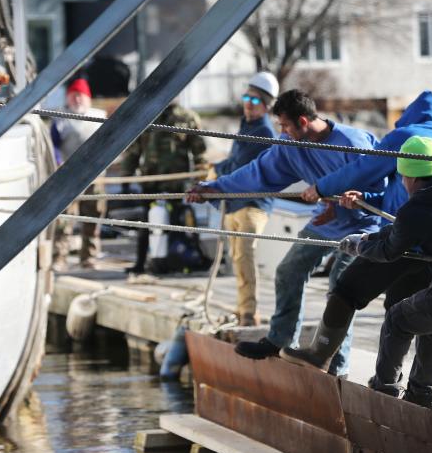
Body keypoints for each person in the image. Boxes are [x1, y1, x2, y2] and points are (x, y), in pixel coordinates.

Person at [283, 136, 432, 410]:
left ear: (409, 177)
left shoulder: (419, 208)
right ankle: (422, 396)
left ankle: (384, 392)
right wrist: (368, 237)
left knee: (397, 318)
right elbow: (398, 232)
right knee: (431, 326)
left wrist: (356, 247)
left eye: (402, 177)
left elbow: (388, 252)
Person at [187, 89, 383, 376]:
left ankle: (336, 367)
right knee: (288, 271)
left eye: (285, 125)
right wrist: (213, 189)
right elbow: (257, 173)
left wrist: (345, 208)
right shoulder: (290, 145)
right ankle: (280, 340)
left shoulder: (353, 143)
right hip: (325, 223)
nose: (282, 131)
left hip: (363, 227)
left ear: (303, 121)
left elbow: (382, 190)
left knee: (341, 293)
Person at [281, 91, 432, 374]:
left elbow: (364, 167)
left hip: (403, 237)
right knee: (409, 315)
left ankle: (320, 355)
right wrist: (367, 199)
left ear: (410, 115)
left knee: (346, 290)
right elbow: (407, 195)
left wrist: (321, 188)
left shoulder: (408, 136)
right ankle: (419, 392)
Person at [210, 72, 280, 326]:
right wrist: (215, 167)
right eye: (247, 96)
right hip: (236, 202)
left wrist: (215, 176)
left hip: (253, 206)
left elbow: (242, 169)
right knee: (237, 258)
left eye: (256, 99)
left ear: (266, 105)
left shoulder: (263, 132)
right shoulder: (246, 125)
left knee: (244, 257)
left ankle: (249, 313)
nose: (249, 103)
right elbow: (234, 161)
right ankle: (243, 309)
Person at [122, 100, 207, 274]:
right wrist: (126, 178)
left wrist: (201, 178)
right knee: (146, 222)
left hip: (176, 181)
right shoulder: (146, 117)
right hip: (151, 180)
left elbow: (199, 151)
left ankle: (175, 259)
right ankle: (140, 262)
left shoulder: (187, 118)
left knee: (178, 221)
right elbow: (134, 150)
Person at [51, 77, 107, 269]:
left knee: (93, 216)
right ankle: (59, 257)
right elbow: (54, 146)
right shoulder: (61, 118)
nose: (77, 100)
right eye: (73, 96)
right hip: (67, 174)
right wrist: (58, 163)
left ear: (88, 98)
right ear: (68, 98)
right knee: (64, 219)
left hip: (95, 175)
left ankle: (89, 256)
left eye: (80, 96)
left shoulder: (99, 116)